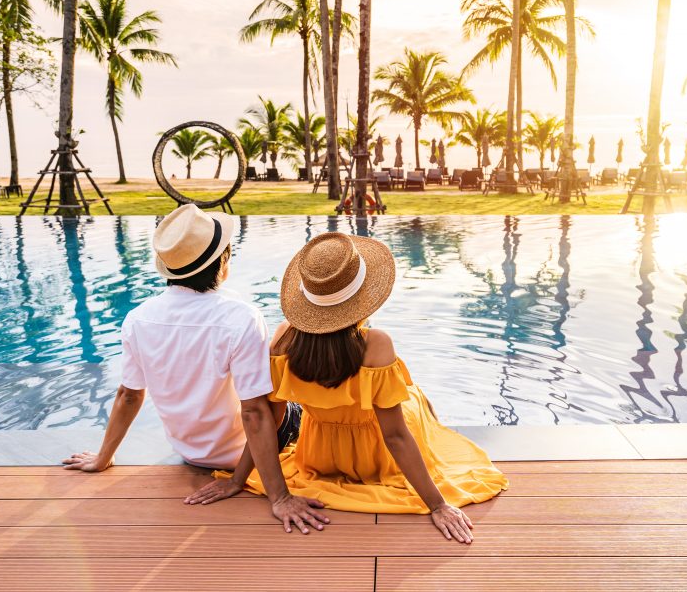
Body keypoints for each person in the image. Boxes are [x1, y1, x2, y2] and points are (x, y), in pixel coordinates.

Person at [185, 232, 508, 544]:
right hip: (378, 458)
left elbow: (266, 419)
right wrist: (438, 505)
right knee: (413, 395)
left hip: (318, 456)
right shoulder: (376, 344)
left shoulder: (284, 339)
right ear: (364, 296)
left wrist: (241, 481)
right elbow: (394, 436)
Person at [62, 204, 327, 535]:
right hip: (244, 453)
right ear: (224, 263)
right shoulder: (240, 317)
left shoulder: (137, 319)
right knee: (292, 380)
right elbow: (257, 414)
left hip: (192, 453)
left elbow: (129, 395)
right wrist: (278, 496)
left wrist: (103, 458)